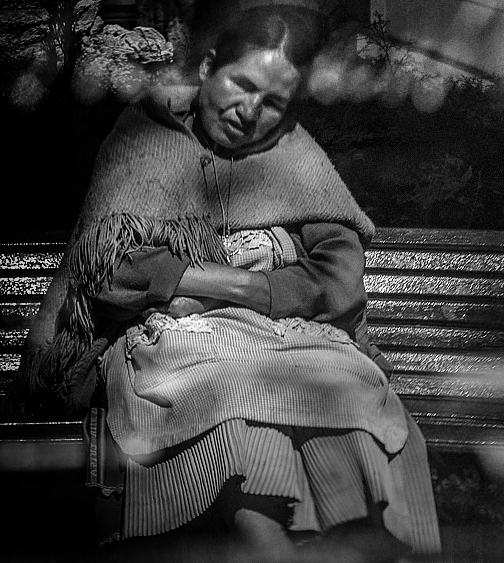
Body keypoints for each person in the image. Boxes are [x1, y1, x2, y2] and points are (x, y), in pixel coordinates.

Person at [2, 3, 441, 560]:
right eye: (242, 83)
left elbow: (339, 277)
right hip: (176, 346)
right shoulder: (146, 135)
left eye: (275, 102)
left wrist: (219, 285)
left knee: (356, 406)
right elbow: (109, 270)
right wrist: (269, 265)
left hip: (296, 344)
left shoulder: (296, 154)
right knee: (235, 412)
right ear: (209, 67)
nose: (251, 110)